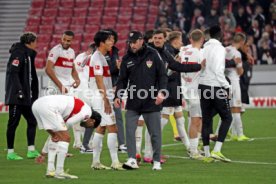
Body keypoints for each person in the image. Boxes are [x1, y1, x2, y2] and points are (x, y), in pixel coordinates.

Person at [143, 29, 203, 163]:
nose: (157, 40)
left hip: (163, 92)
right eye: (155, 38)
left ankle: (150, 153)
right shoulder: (148, 52)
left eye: (159, 38)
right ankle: (148, 153)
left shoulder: (165, 53)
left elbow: (177, 66)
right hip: (153, 92)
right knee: (156, 123)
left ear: (164, 39)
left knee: (157, 124)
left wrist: (198, 66)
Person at [114, 31, 168, 170]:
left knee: (155, 133)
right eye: (130, 42)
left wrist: (162, 92)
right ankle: (132, 159)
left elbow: (162, 75)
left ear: (141, 41)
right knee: (130, 131)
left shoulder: (153, 54)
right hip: (133, 100)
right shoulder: (126, 58)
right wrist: (118, 96)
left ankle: (156, 161)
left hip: (151, 100)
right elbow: (122, 81)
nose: (132, 45)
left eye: (134, 42)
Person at [32, 95, 101, 179]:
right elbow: (69, 123)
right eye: (90, 126)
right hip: (49, 107)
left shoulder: (80, 109)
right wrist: (63, 134)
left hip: (37, 105)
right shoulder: (87, 112)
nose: (86, 127)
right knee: (66, 138)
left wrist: (43, 153)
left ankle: (50, 170)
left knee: (56, 136)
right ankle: (60, 172)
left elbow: (55, 135)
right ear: (92, 121)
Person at [40, 30, 80, 158]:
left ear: (72, 41)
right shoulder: (55, 50)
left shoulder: (72, 52)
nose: (65, 42)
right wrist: (60, 85)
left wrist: (77, 78)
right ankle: (53, 149)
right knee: (60, 120)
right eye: (64, 39)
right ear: (61, 38)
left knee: (65, 120)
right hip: (56, 89)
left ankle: (50, 149)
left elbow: (72, 68)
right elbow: (48, 69)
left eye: (68, 40)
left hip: (67, 89)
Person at [90, 30, 124, 170]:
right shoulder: (97, 58)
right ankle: (115, 162)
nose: (112, 42)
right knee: (113, 128)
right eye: (109, 40)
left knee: (101, 128)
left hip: (100, 96)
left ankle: (96, 162)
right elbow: (99, 81)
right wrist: (105, 100)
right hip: (100, 97)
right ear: (102, 42)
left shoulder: (101, 57)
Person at [198, 25, 232, 162]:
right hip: (215, 86)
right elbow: (218, 70)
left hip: (202, 85)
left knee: (206, 119)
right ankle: (217, 150)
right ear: (220, 34)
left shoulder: (203, 48)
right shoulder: (220, 49)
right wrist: (227, 86)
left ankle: (206, 154)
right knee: (227, 117)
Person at [5, 32, 40, 160]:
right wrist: (19, 91)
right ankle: (10, 153)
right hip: (17, 97)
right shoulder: (18, 54)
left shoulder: (28, 55)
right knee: (13, 123)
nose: (37, 44)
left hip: (26, 97)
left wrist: (33, 94)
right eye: (35, 41)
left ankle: (31, 150)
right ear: (30, 42)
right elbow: (13, 73)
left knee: (32, 121)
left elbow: (31, 77)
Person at [179, 29, 205, 160]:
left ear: (190, 39)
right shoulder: (200, 54)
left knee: (192, 118)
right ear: (202, 39)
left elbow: (177, 62)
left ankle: (194, 148)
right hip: (195, 91)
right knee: (196, 120)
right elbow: (204, 69)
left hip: (185, 89)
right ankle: (193, 150)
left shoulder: (184, 50)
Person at [104, 28, 127, 153]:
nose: (111, 41)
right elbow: (103, 71)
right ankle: (85, 144)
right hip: (102, 89)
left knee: (118, 117)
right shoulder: (100, 53)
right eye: (108, 39)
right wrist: (116, 67)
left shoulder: (116, 51)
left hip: (114, 88)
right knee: (97, 117)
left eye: (112, 39)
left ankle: (122, 144)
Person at [73, 43, 97, 153]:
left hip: (77, 90)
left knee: (78, 116)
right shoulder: (93, 58)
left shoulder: (79, 57)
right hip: (87, 92)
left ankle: (78, 142)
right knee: (90, 117)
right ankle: (87, 143)